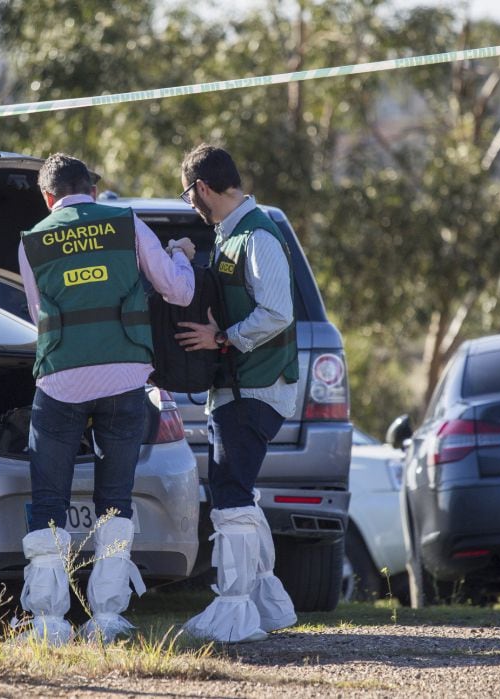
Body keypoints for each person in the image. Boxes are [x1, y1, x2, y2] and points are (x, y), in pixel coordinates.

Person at [17, 153, 196, 644]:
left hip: (59, 385)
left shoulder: (32, 241)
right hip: (124, 382)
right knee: (115, 502)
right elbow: (178, 292)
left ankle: (48, 621)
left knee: (48, 501)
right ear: (92, 190)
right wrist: (181, 253)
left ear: (48, 198)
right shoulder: (125, 222)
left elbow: (40, 317)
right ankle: (109, 619)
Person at [174, 144, 299, 643]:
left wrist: (221, 338)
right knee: (238, 492)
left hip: (257, 388)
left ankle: (235, 613)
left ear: (202, 188)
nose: (190, 205)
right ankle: (267, 606)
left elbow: (277, 312)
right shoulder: (231, 236)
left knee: (230, 496)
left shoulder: (257, 235)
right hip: (237, 389)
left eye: (188, 195)